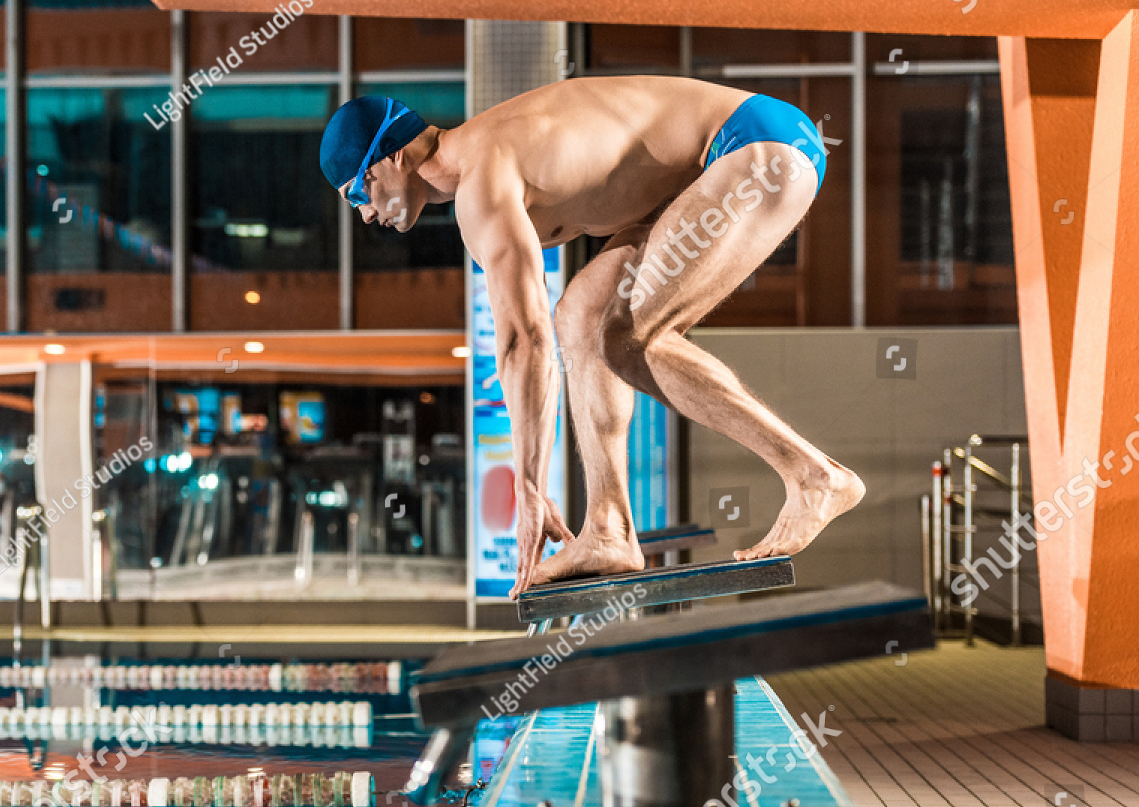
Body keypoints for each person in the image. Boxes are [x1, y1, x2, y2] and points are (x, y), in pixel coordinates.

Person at [319, 77, 865, 596]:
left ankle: (814, 476)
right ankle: (607, 528)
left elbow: (521, 342)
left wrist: (529, 487)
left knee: (633, 339)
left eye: (356, 193)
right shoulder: (484, 159)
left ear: (391, 157)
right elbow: (543, 336)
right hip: (716, 165)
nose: (365, 216)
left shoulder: (482, 182)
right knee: (580, 319)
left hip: (755, 146)